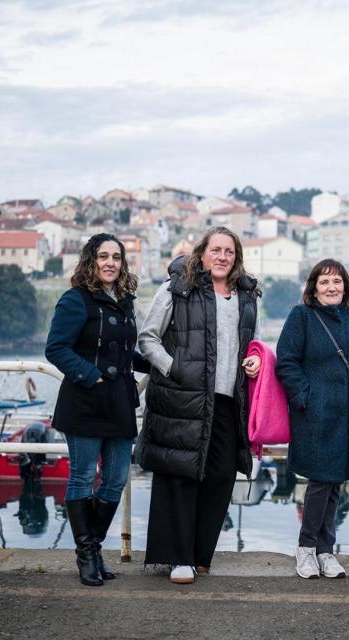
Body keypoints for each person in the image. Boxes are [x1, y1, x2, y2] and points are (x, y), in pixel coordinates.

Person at [138, 226, 261, 585]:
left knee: (221, 477)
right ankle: (179, 559)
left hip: (227, 401)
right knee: (181, 478)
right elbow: (148, 338)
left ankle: (201, 556)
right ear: (202, 253)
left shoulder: (246, 295)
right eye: (216, 250)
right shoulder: (177, 287)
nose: (222, 257)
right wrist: (173, 368)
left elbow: (250, 343)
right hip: (183, 398)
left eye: (229, 252)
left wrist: (254, 360)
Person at [45, 233, 150, 587]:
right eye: (103, 256)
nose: (110, 263)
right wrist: (92, 377)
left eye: (116, 257)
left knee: (117, 477)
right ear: (90, 260)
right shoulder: (75, 300)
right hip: (86, 399)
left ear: (122, 263)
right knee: (82, 475)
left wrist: (158, 365)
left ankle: (94, 547)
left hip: (119, 402)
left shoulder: (124, 300)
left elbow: (123, 352)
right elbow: (56, 349)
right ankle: (87, 556)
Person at [275, 259, 349, 579]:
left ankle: (325, 551)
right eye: (324, 282)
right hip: (313, 416)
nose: (331, 287)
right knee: (320, 481)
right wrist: (305, 397)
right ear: (313, 287)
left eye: (337, 281)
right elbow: (286, 362)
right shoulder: (302, 317)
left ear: (346, 286)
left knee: (335, 481)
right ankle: (308, 548)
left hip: (348, 417)